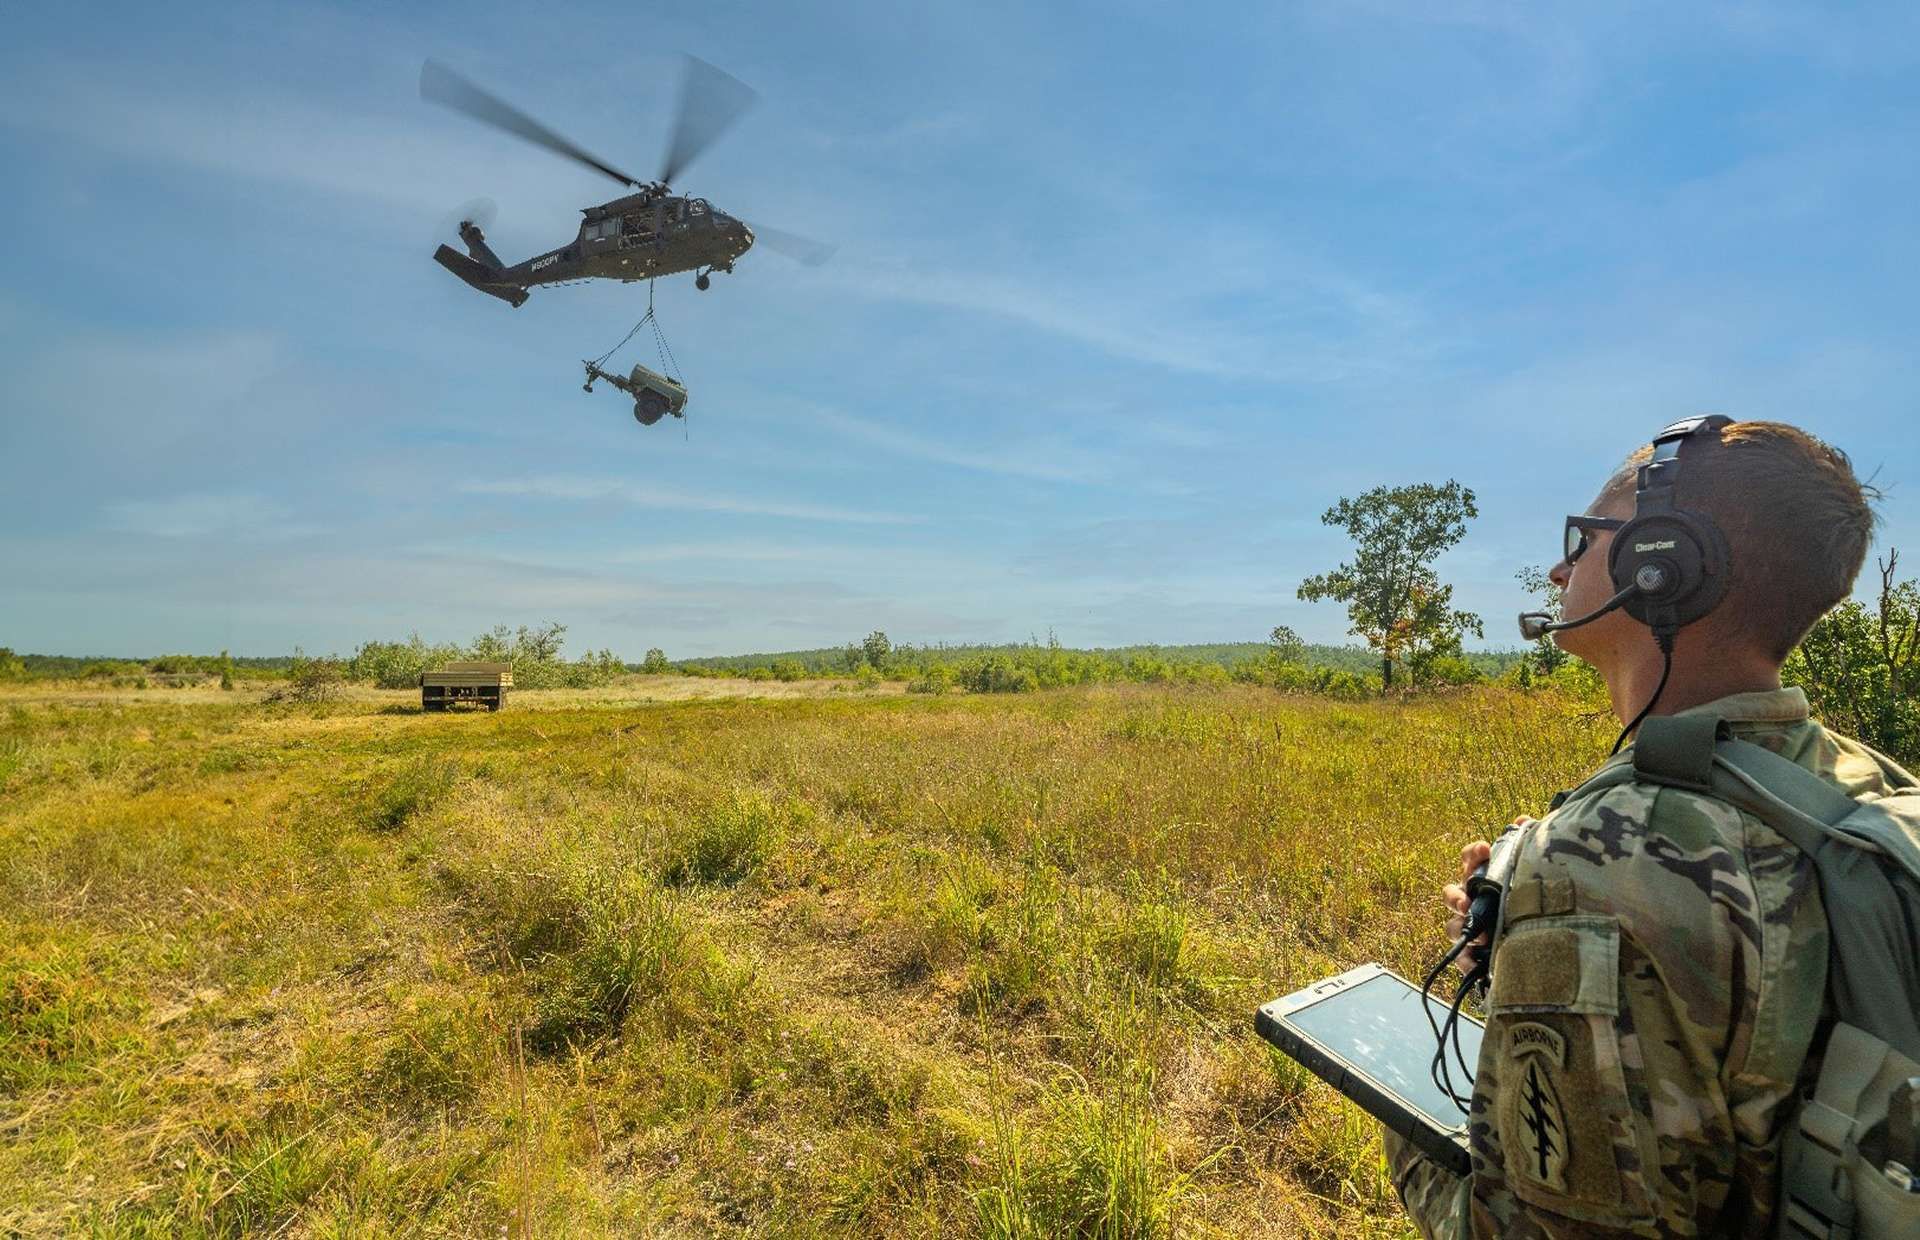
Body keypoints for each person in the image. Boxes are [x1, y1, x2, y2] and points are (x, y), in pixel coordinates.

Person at [1386, 418, 1912, 1237]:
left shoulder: (1602, 867)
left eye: (1585, 538)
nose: (1560, 565)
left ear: (1663, 564)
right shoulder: (1862, 786)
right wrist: (1522, 945)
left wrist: (1403, 1123)